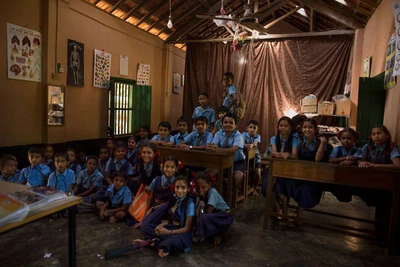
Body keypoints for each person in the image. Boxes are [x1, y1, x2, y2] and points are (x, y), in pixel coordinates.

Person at [138, 175, 196, 257]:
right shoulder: (174, 198)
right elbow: (170, 217)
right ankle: (162, 245)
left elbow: (187, 228)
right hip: (171, 227)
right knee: (146, 228)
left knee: (175, 240)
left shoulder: (190, 204)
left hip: (181, 232)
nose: (180, 191)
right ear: (174, 188)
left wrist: (169, 232)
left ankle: (153, 243)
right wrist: (162, 225)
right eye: (177, 187)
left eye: (183, 188)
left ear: (188, 189)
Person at [287, 118, 326, 218]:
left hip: (314, 175)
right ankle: (296, 212)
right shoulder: (299, 141)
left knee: (306, 189)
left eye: (310, 127)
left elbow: (317, 159)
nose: (307, 130)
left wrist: (322, 143)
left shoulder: (320, 142)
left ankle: (299, 215)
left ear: (315, 129)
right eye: (305, 127)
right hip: (300, 172)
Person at [194, 171, 233, 245]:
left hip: (223, 217)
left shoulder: (212, 192)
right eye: (198, 187)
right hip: (215, 215)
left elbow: (209, 210)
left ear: (210, 184)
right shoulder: (201, 193)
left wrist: (201, 219)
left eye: (203, 187)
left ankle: (217, 233)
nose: (200, 190)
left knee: (204, 218)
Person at [207, 114, 245, 190]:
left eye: (231, 123)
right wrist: (215, 148)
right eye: (225, 122)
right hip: (222, 160)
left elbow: (234, 150)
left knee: (238, 177)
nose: (228, 124)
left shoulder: (238, 135)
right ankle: (221, 190)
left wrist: (219, 150)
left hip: (237, 162)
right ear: (222, 124)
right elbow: (213, 146)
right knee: (208, 174)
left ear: (235, 125)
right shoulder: (218, 133)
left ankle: (231, 195)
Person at [269, 116, 298, 213]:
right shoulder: (274, 138)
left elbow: (295, 155)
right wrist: (279, 154)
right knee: (268, 184)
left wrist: (289, 154)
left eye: (286, 126)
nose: (283, 128)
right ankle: (277, 205)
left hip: (288, 169)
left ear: (290, 128)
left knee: (281, 184)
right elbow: (273, 152)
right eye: (281, 125)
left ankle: (284, 203)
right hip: (275, 167)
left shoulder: (294, 139)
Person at [326, 128, 362, 202]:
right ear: (340, 139)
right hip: (338, 176)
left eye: (349, 138)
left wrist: (350, 162)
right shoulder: (337, 149)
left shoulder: (358, 150)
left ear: (354, 139)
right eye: (343, 138)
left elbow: (357, 159)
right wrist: (346, 158)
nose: (346, 140)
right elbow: (330, 160)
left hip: (352, 177)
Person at [242, 120, 262, 195]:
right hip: (245, 158)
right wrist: (245, 145)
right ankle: (244, 189)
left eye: (254, 128)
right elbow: (242, 142)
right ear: (247, 128)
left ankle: (254, 188)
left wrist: (250, 145)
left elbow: (254, 144)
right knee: (244, 173)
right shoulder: (243, 134)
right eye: (250, 127)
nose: (252, 129)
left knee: (257, 174)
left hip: (256, 158)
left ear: (257, 130)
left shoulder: (258, 136)